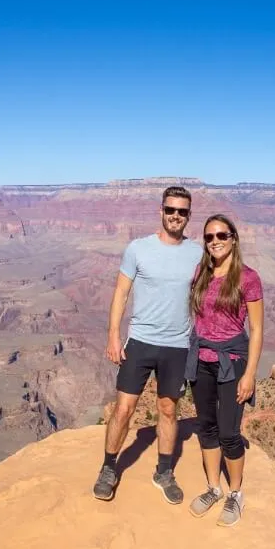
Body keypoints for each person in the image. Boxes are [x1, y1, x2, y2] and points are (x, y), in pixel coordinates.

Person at [93, 186, 204, 504]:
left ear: (188, 216)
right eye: (171, 210)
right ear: (161, 211)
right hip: (140, 342)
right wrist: (113, 335)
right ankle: (108, 468)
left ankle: (164, 471)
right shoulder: (138, 249)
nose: (176, 216)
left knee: (168, 410)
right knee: (124, 408)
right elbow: (120, 292)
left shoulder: (197, 254)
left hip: (177, 345)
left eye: (182, 212)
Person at [183, 214, 263, 527]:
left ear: (233, 239)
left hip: (233, 361)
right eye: (209, 237)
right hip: (201, 360)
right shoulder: (200, 272)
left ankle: (235, 493)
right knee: (207, 426)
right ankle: (213, 488)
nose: (215, 241)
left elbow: (256, 329)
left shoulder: (248, 277)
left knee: (230, 432)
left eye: (221, 235)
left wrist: (250, 373)